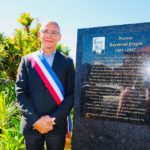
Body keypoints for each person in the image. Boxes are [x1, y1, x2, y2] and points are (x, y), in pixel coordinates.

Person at [15, 21, 75, 150]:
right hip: (32, 125)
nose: (49, 35)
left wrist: (53, 119)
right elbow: (21, 92)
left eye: (54, 32)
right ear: (39, 34)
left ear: (59, 37)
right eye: (45, 31)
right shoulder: (27, 60)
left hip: (57, 126)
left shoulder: (67, 62)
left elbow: (71, 94)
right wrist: (35, 121)